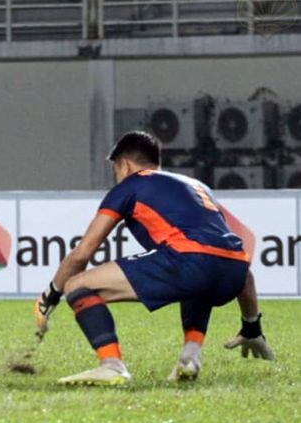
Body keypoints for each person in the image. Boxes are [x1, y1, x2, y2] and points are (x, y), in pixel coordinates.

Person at [34, 131, 275, 386]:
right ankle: (190, 355)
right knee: (198, 278)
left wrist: (50, 295)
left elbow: (82, 254)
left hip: (190, 262)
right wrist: (251, 325)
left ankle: (111, 365)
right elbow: (226, 255)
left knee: (78, 285)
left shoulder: (130, 185)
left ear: (124, 164)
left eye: (116, 169)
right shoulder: (196, 186)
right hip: (235, 270)